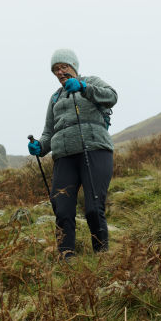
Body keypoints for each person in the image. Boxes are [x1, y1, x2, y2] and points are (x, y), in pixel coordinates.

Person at [28, 49, 117, 258]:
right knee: (62, 208)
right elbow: (49, 132)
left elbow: (112, 96)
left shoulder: (91, 81)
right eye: (55, 70)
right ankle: (67, 259)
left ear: (74, 67)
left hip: (94, 149)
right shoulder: (55, 98)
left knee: (94, 207)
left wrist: (84, 88)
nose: (60, 72)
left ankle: (102, 256)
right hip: (64, 157)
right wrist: (40, 147)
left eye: (63, 67)